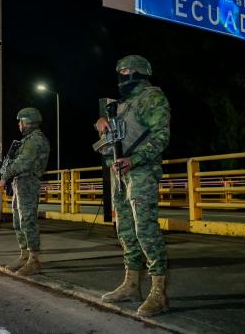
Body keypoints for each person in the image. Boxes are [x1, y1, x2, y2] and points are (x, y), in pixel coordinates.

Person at [95, 55, 171, 316]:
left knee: (145, 230)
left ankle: (158, 292)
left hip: (142, 172)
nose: (122, 75)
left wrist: (135, 159)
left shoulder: (152, 97)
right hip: (120, 173)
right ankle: (131, 284)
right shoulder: (121, 105)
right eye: (120, 71)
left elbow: (161, 136)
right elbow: (117, 138)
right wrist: (103, 126)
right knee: (125, 230)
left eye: (126, 71)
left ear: (139, 72)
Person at [0, 107, 50, 276]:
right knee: (18, 220)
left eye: (21, 121)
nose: (19, 125)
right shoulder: (27, 140)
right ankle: (24, 255)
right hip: (20, 183)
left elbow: (23, 163)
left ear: (28, 122)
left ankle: (34, 260)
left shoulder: (35, 140)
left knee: (28, 220)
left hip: (28, 182)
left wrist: (4, 176)